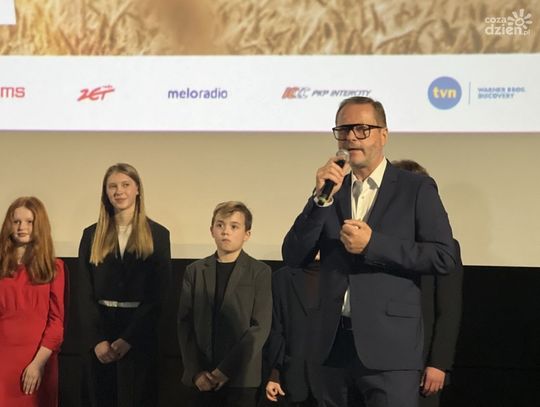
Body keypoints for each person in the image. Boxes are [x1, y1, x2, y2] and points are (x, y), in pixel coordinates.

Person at [282, 96, 457, 407]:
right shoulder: (331, 191)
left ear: (383, 135)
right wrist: (319, 199)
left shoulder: (415, 188)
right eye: (343, 129)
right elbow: (294, 255)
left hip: (390, 349)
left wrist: (374, 245)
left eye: (362, 129)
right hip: (331, 346)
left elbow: (443, 256)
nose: (351, 137)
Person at [76, 163, 171, 407]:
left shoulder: (158, 235)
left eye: (125, 185)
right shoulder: (91, 234)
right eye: (113, 186)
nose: (119, 191)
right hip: (100, 333)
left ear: (137, 189)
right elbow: (84, 293)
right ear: (106, 192)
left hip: (139, 334)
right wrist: (97, 340)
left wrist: (128, 339)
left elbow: (158, 294)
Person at [178, 201, 272, 407]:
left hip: (241, 378)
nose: (225, 231)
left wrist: (224, 371)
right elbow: (185, 324)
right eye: (220, 225)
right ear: (211, 230)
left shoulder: (260, 272)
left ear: (247, 234)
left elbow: (260, 327)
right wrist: (196, 372)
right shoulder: (195, 271)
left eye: (234, 226)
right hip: (201, 376)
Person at [392, 160, 463, 407]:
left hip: (421, 365)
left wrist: (438, 363)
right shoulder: (377, 243)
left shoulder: (442, 248)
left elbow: (449, 308)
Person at [0, 197, 66, 407]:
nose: (22, 227)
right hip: (3, 359)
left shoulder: (54, 268)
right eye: (16, 221)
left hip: (40, 360)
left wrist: (37, 364)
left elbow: (56, 323)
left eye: (29, 222)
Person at [263, 258, 321, 407]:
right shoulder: (282, 278)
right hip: (293, 377)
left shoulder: (343, 275)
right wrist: (274, 372)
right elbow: (276, 328)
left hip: (334, 381)